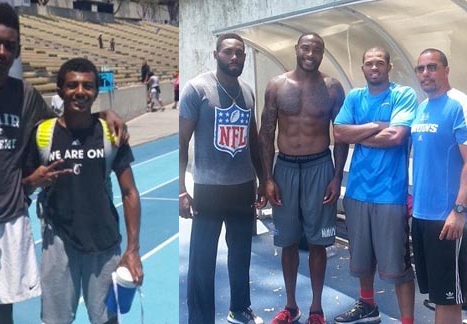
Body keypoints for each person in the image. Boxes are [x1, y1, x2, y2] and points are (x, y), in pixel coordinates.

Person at [0, 4, 126, 324]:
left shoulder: (25, 94)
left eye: (10, 46)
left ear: (17, 52)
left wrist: (101, 114)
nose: (2, 52)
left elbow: (64, 120)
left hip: (12, 216)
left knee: (5, 308)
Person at [23, 57, 142, 324]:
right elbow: (22, 186)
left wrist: (133, 250)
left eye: (87, 86)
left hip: (104, 243)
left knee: (107, 320)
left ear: (96, 91)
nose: (80, 91)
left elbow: (130, 192)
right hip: (58, 244)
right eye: (72, 85)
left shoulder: (111, 134)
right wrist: (33, 180)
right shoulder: (43, 134)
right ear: (60, 90)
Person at [258, 32, 348, 324]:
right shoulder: (277, 86)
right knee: (287, 241)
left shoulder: (333, 88)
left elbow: (341, 135)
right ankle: (291, 305)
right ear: (296, 49)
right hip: (284, 169)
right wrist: (267, 178)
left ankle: (317, 309)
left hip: (319, 167)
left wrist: (337, 178)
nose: (311, 53)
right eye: (306, 48)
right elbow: (266, 131)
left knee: (319, 243)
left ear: (322, 53)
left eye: (317, 49)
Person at [179, 32, 266, 324]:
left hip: (243, 187)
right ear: (216, 54)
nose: (235, 58)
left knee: (241, 254)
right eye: (228, 52)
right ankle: (201, 318)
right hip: (208, 189)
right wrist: (182, 190)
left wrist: (263, 179)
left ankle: (239, 308)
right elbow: (180, 143)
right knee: (202, 260)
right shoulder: (197, 89)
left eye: (240, 53)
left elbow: (253, 141)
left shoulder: (248, 92)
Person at [333, 47, 417, 324]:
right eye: (369, 63)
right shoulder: (355, 97)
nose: (374, 67)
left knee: (398, 266)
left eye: (379, 62)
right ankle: (368, 306)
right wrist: (374, 125)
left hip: (389, 194)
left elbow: (395, 136)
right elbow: (338, 132)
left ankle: (407, 321)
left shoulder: (402, 95)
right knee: (361, 260)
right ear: (362, 68)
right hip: (358, 192)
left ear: (389, 66)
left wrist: (357, 134)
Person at [410, 48, 467, 324]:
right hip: (421, 215)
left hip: (446, 219)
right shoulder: (421, 108)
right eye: (420, 69)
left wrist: (459, 210)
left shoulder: (457, 105)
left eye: (432, 67)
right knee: (437, 296)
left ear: (446, 70)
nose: (425, 74)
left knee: (448, 299)